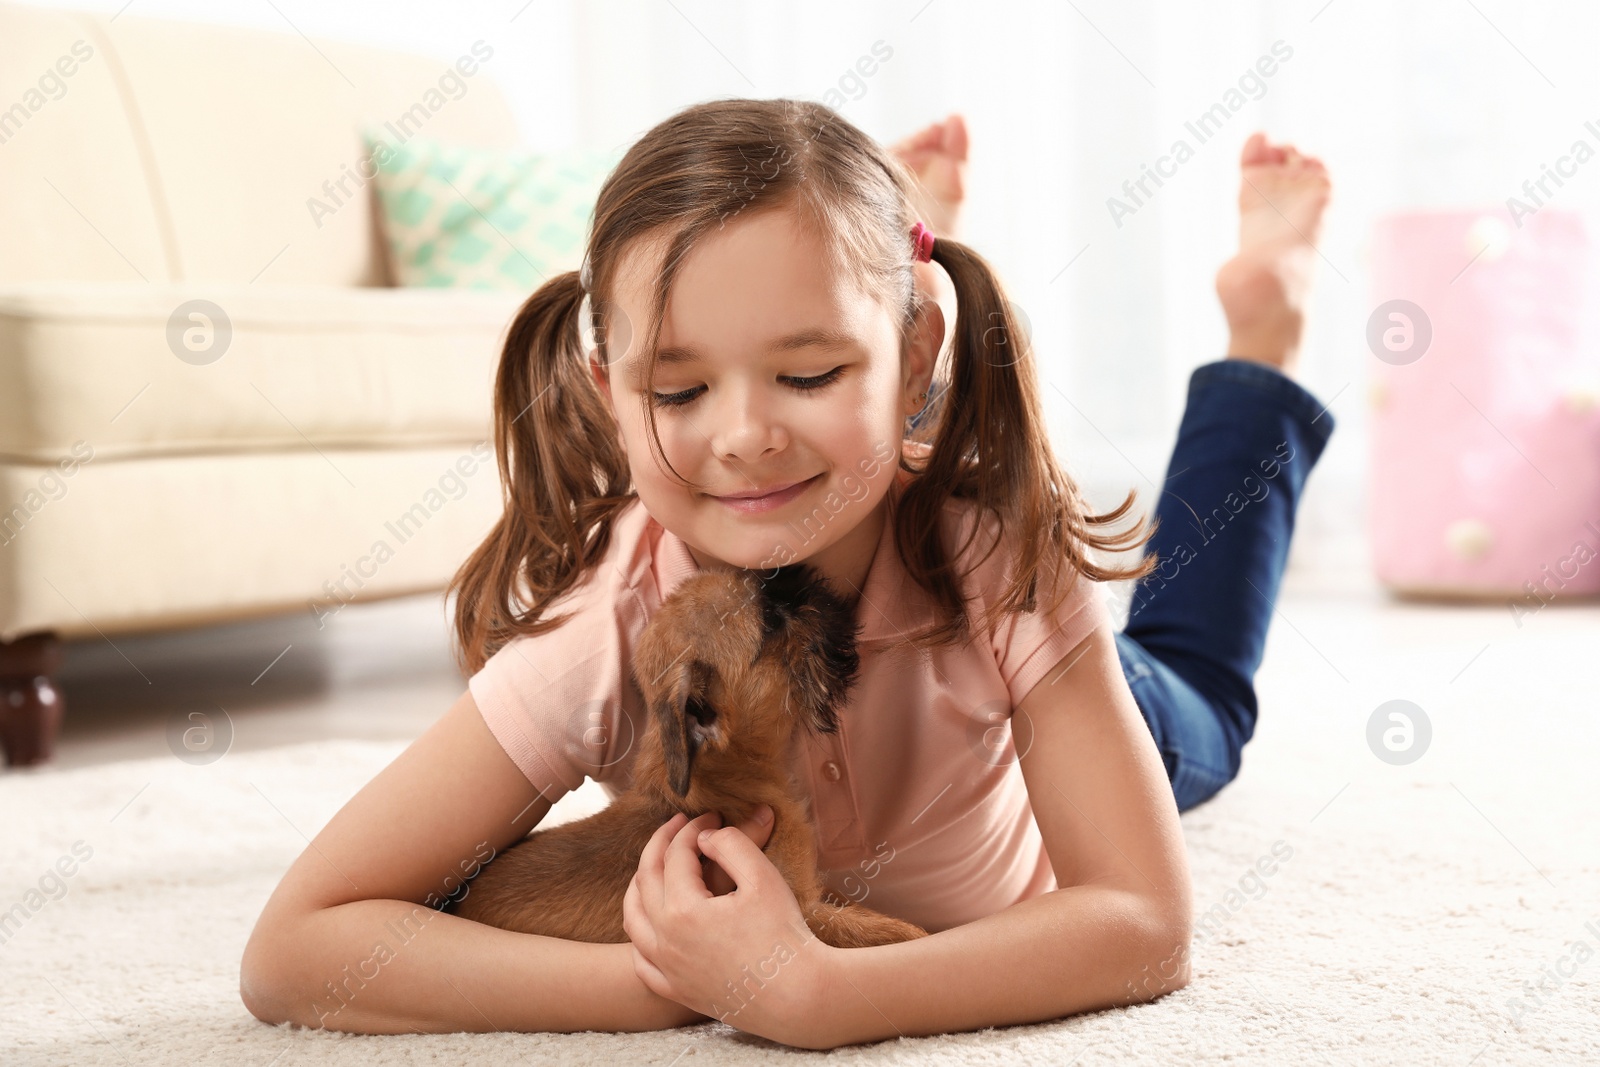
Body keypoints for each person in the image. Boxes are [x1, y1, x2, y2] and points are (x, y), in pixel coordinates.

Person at [240, 100, 1334, 1049]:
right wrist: (663, 980)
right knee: (843, 457)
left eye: (804, 370)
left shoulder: (998, 551)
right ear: (604, 395)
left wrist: (821, 991)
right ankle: (893, 261)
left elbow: (1143, 921)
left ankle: (1260, 337)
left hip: (1038, 675)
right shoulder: (610, 622)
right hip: (881, 460)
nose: (743, 434)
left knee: (1198, 698)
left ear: (917, 357)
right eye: (676, 392)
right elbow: (296, 949)